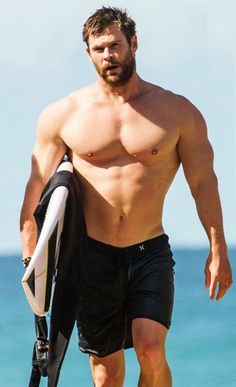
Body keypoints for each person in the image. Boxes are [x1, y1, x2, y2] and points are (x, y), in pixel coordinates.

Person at [20, 6, 232, 387]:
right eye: (99, 48)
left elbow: (203, 183)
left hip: (148, 250)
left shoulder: (176, 112)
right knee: (105, 375)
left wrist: (218, 248)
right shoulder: (64, 115)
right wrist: (31, 258)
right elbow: (36, 189)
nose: (108, 56)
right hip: (90, 257)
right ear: (88, 53)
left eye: (115, 45)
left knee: (151, 350)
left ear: (133, 44)